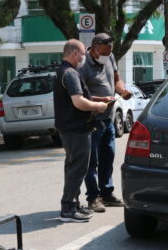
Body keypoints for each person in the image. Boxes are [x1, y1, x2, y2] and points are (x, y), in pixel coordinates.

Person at [54, 39, 109, 223]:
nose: (84, 57)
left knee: (73, 167)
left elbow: (78, 98)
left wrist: (99, 99)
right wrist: (98, 106)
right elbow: (78, 102)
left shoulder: (65, 72)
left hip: (70, 128)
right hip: (76, 129)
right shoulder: (69, 73)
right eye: (83, 53)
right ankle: (68, 208)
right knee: (78, 168)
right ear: (75, 53)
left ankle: (73, 204)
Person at [78, 32, 132, 213]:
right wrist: (101, 99)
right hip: (92, 120)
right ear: (94, 48)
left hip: (108, 119)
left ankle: (107, 193)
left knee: (108, 158)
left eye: (110, 52)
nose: (107, 56)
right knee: (91, 161)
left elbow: (116, 79)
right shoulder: (82, 64)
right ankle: (93, 197)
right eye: (104, 52)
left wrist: (122, 90)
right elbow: (79, 96)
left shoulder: (109, 56)